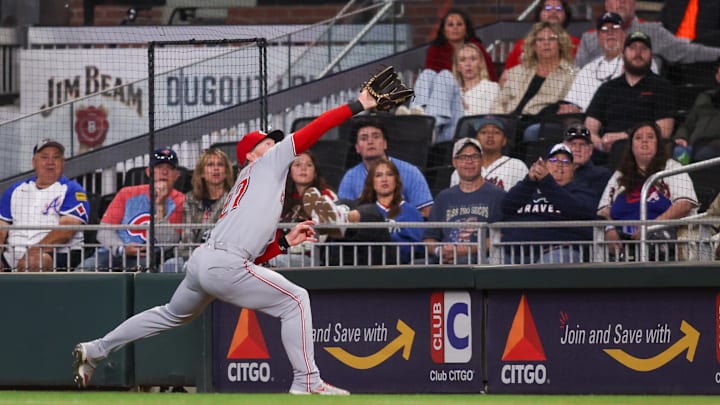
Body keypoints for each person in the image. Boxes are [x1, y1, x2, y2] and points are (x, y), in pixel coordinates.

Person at [73, 84, 381, 395]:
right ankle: (308, 381)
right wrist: (359, 104)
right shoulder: (266, 164)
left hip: (208, 261)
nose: (275, 143)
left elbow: (255, 257)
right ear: (250, 155)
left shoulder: (259, 184)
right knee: (296, 300)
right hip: (223, 262)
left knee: (169, 314)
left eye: (275, 140)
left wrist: (285, 242)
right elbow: (315, 129)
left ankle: (96, 348)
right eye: (266, 142)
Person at [597, 122, 698, 260]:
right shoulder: (619, 175)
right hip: (624, 237)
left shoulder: (672, 168)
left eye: (650, 137)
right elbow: (603, 210)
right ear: (631, 146)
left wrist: (650, 227)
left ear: (658, 144)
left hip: (661, 235)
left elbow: (684, 204)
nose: (644, 140)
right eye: (638, 138)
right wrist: (609, 229)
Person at [80, 147, 184, 271]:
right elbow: (103, 231)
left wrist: (160, 205)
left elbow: (168, 242)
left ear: (176, 175)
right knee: (86, 268)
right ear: (148, 172)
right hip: (114, 252)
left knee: (146, 268)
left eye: (170, 168)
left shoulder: (181, 200)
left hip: (149, 256)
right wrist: (122, 249)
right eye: (158, 167)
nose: (164, 172)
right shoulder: (126, 193)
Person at [584, 31, 676, 167]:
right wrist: (600, 144)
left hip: (641, 150)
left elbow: (664, 130)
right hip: (604, 150)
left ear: (651, 55)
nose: (638, 53)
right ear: (623, 53)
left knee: (621, 148)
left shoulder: (662, 86)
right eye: (632, 48)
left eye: (643, 49)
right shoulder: (608, 87)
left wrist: (622, 137)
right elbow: (590, 126)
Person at [0, 139, 89, 272]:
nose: (50, 162)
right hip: (12, 255)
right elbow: (1, 228)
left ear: (63, 163)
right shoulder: (15, 190)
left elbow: (66, 231)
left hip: (57, 254)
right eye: (44, 157)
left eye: (56, 157)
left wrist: (33, 251)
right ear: (34, 162)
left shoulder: (72, 190)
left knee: (34, 262)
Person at [501, 143, 598, 264]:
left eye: (565, 162)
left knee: (546, 270)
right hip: (514, 253)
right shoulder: (527, 189)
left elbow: (579, 210)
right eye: (553, 160)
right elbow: (506, 207)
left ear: (573, 168)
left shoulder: (581, 191)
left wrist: (547, 182)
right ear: (545, 165)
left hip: (559, 251)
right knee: (490, 267)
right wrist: (529, 181)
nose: (559, 165)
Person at [422, 138, 505, 264]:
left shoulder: (498, 195)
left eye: (474, 157)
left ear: (482, 160)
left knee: (463, 260)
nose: (469, 162)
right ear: (454, 162)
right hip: (444, 260)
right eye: (463, 157)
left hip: (480, 260)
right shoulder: (443, 197)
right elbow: (429, 238)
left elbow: (501, 236)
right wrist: (440, 251)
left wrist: (467, 250)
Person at [490, 22, 577, 142]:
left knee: (529, 131)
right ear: (534, 45)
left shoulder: (572, 74)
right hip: (510, 120)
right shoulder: (518, 71)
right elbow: (499, 102)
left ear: (560, 44)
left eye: (552, 39)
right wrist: (500, 121)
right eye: (540, 39)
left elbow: (566, 108)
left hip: (540, 123)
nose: (546, 43)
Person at [575, 0, 720, 69]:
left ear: (634, 5)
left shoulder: (653, 32)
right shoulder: (589, 38)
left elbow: (688, 52)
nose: (621, 2)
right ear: (607, 5)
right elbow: (578, 75)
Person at [337, 118, 434, 217]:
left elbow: (426, 212)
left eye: (376, 136)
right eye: (364, 138)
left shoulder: (411, 172)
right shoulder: (350, 177)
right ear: (357, 147)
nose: (370, 141)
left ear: (385, 144)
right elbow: (343, 214)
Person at [404, 42, 499, 143]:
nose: (468, 64)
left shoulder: (491, 87)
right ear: (458, 66)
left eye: (473, 59)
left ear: (480, 63)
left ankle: (429, 124)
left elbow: (486, 120)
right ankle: (416, 119)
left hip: (462, 133)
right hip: (437, 134)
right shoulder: (452, 88)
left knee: (445, 75)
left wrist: (460, 105)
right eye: (463, 60)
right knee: (428, 73)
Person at [164, 148, 235, 272]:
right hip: (194, 255)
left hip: (225, 255)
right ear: (202, 173)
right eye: (210, 165)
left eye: (220, 165)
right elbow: (187, 236)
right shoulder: (190, 200)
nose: (216, 169)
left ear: (226, 172)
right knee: (170, 264)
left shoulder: (234, 199)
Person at [271, 151, 338, 267]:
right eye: (297, 165)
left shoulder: (326, 195)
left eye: (309, 165)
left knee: (272, 261)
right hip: (284, 253)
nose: (303, 168)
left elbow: (329, 231)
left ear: (315, 172)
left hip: (314, 256)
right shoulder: (281, 198)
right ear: (290, 172)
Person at [355, 158, 424, 264]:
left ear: (396, 180)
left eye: (389, 174)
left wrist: (390, 241)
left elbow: (417, 246)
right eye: (378, 175)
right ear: (372, 182)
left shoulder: (410, 211)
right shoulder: (365, 211)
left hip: (398, 264)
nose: (384, 179)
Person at [449, 115, 528, 190]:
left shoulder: (517, 166)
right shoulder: (462, 168)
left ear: (504, 140)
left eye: (496, 132)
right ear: (476, 140)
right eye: (484, 132)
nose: (490, 135)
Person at [504, 0, 581, 71]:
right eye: (548, 8)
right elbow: (507, 77)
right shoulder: (523, 45)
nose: (553, 12)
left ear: (566, 15)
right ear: (539, 14)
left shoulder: (577, 44)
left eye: (558, 9)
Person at [424, 8, 496, 81]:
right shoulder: (435, 50)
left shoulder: (477, 48)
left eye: (459, 24)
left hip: (471, 88)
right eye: (450, 25)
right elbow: (430, 78)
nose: (455, 27)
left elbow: (491, 74)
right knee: (426, 76)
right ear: (443, 31)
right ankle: (411, 92)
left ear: (466, 29)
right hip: (443, 89)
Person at [672, 58, 720, 162]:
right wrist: (681, 137)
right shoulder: (704, 97)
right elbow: (687, 125)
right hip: (693, 146)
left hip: (712, 148)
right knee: (668, 151)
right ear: (717, 77)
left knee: (704, 154)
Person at [563, 125, 612, 207]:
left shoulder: (602, 175)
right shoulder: (555, 172)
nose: (577, 149)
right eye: (573, 144)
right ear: (564, 148)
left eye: (582, 145)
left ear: (590, 150)